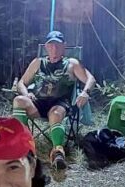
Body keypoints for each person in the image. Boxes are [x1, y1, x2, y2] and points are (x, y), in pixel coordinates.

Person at [12, 31, 96, 170]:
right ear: (46, 47)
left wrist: (85, 93)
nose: (54, 49)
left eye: (57, 45)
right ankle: (25, 146)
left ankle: (57, 152)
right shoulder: (38, 62)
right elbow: (21, 83)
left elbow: (90, 79)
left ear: (64, 46)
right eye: (51, 46)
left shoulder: (71, 64)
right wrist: (26, 94)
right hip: (38, 103)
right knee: (19, 100)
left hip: (60, 104)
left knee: (55, 113)